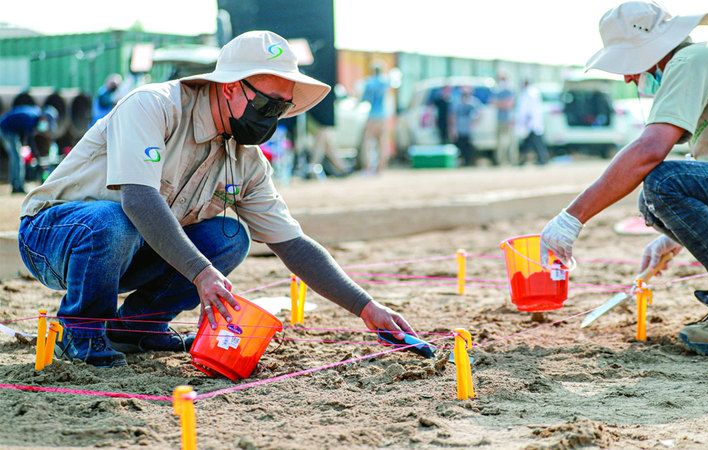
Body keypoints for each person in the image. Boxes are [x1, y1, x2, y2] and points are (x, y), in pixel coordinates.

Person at [18, 31, 417, 368]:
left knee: (230, 237)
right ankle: (82, 331)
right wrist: (201, 273)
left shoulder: (247, 161)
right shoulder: (154, 106)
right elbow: (139, 200)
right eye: (266, 104)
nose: (272, 117)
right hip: (52, 237)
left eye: (281, 108)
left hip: (129, 248)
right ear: (230, 87)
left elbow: (292, 244)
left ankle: (138, 327)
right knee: (114, 220)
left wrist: (366, 307)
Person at [539, 1, 708, 356]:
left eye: (628, 65)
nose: (628, 78)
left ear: (652, 50)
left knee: (662, 181)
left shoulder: (693, 60)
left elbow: (649, 152)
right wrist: (674, 236)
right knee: (652, 198)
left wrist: (572, 217)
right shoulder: (703, 64)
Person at [0, 104, 57, 194]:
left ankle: (17, 184)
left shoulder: (35, 116)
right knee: (16, 158)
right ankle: (17, 186)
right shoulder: (31, 119)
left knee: (17, 157)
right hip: (6, 129)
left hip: (12, 129)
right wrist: (37, 157)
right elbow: (30, 141)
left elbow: (25, 134)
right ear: (44, 117)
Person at [358, 64, 391, 174]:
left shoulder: (369, 83)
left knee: (367, 143)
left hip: (372, 116)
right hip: (382, 116)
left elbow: (364, 99)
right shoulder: (385, 82)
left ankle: (367, 167)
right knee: (382, 143)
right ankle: (380, 168)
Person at [515, 80, 549, 165]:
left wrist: (527, 120)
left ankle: (542, 159)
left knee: (536, 142)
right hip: (529, 123)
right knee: (529, 143)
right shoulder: (527, 93)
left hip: (531, 123)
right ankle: (523, 160)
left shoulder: (531, 93)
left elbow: (530, 109)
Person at [451, 87, 481, 166]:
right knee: (460, 146)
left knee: (469, 146)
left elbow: (479, 113)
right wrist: (453, 128)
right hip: (460, 129)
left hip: (469, 130)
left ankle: (469, 162)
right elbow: (453, 116)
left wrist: (474, 123)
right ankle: (462, 162)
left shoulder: (474, 102)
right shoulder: (457, 103)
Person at [493, 72, 516, 165]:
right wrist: (503, 103)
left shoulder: (510, 90)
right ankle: (500, 161)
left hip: (509, 119)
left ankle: (512, 160)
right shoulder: (496, 91)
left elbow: (509, 104)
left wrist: (500, 103)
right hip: (499, 119)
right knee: (500, 142)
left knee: (511, 141)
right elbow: (493, 103)